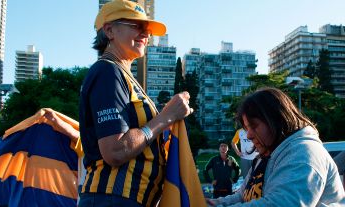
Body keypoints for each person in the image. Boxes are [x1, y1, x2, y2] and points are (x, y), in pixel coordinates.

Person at [78, 1, 193, 206]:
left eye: (147, 30)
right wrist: (166, 117)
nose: (145, 34)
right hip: (112, 198)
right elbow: (115, 150)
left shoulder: (122, 75)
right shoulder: (107, 71)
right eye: (136, 26)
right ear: (110, 30)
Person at [207, 87, 345, 206]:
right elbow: (242, 196)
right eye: (246, 128)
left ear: (277, 120)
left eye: (253, 126)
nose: (248, 136)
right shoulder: (264, 156)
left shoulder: (304, 154)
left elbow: (279, 204)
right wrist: (212, 204)